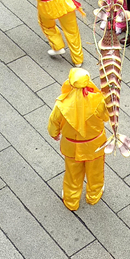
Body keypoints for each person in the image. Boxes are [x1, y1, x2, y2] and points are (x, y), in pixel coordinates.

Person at [45, 67, 109, 212]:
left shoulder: (62, 104)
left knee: (73, 174)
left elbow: (53, 122)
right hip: (95, 146)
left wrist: (54, 134)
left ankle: (71, 200)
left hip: (72, 147)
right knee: (95, 172)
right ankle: (94, 194)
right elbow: (106, 117)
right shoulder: (98, 100)